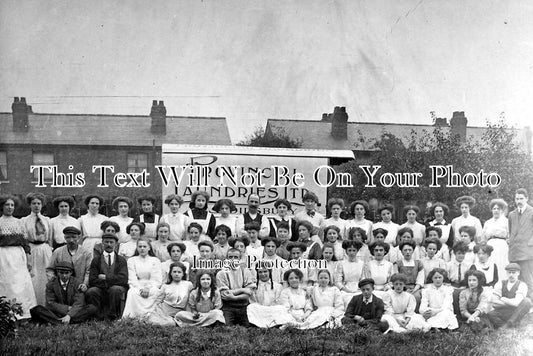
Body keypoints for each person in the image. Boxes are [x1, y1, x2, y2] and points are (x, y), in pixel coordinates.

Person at [0, 195, 36, 319]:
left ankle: (22, 314)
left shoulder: (19, 222)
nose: (10, 207)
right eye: (7, 205)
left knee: (20, 283)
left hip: (18, 255)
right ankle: (6, 314)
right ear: (2, 206)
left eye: (12, 205)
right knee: (6, 283)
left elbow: (25, 243)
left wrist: (29, 259)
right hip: (3, 255)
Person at [30, 261, 97, 324]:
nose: (64, 276)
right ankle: (67, 321)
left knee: (92, 308)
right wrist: (67, 308)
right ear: (58, 272)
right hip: (58, 312)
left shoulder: (77, 283)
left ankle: (58, 321)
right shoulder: (51, 285)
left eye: (66, 273)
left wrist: (69, 315)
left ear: (71, 273)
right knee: (36, 309)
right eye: (61, 273)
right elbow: (50, 303)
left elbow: (79, 303)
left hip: (73, 311)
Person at [85, 233, 128, 320]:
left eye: (111, 242)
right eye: (106, 242)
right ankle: (97, 316)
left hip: (116, 287)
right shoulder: (96, 260)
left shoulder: (121, 260)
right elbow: (92, 280)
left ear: (115, 244)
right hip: (100, 287)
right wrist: (108, 283)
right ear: (102, 243)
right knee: (92, 291)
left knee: (115, 289)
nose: (109, 244)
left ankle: (112, 316)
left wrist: (106, 278)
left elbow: (123, 279)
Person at [21, 192, 53, 306]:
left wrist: (49, 250)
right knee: (33, 278)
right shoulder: (24, 220)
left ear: (42, 205)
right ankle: (33, 307)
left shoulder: (47, 220)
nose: (36, 206)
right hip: (31, 250)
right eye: (33, 203)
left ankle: (46, 306)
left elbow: (50, 238)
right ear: (29, 205)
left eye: (39, 203)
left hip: (44, 250)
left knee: (46, 277)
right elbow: (24, 239)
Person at [122, 237, 162, 319]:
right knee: (132, 292)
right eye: (140, 246)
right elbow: (132, 278)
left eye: (144, 246)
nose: (142, 249)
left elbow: (156, 278)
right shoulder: (131, 260)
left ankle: (150, 317)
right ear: (137, 248)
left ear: (149, 248)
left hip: (151, 285)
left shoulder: (155, 260)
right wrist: (140, 288)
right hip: (137, 285)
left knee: (155, 292)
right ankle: (132, 317)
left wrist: (148, 288)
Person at [482, 263, 532, 328]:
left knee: (527, 301)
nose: (511, 275)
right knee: (490, 314)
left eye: (513, 272)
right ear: (506, 273)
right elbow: (494, 303)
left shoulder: (522, 285)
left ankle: (509, 324)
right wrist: (509, 303)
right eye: (509, 272)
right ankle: (507, 327)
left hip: (516, 311)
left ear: (518, 273)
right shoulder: (500, 283)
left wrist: (503, 299)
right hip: (503, 311)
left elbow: (516, 303)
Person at [216, 248, 256, 326]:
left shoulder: (246, 272)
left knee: (248, 327)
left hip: (244, 305)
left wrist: (234, 297)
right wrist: (243, 289)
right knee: (227, 328)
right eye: (230, 257)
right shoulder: (221, 273)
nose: (233, 259)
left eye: (236, 257)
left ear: (240, 259)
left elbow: (249, 293)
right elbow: (225, 294)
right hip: (228, 306)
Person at [46, 226, 92, 292]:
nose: (71, 240)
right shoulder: (58, 252)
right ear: (64, 238)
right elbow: (50, 269)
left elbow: (89, 271)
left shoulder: (86, 253)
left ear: (78, 238)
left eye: (74, 237)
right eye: (68, 237)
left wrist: (85, 284)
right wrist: (55, 282)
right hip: (62, 287)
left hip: (80, 287)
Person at [508, 188, 533, 300]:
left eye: (521, 198)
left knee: (527, 278)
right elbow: (511, 231)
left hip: (526, 252)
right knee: (514, 278)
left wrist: (530, 243)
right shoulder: (511, 214)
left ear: (527, 199)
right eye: (517, 198)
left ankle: (529, 302)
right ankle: (517, 301)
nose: (519, 201)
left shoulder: (531, 212)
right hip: (514, 251)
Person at [482, 199, 509, 279]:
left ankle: (502, 283)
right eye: (494, 209)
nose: (496, 210)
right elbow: (483, 237)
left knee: (501, 264)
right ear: (491, 210)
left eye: (498, 209)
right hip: (490, 245)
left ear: (502, 210)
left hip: (502, 246)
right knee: (490, 264)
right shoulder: (488, 222)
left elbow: (510, 235)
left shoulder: (506, 221)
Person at [393, 240, 424, 309]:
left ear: (413, 251)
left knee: (417, 297)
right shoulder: (397, 264)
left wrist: (414, 290)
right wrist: (404, 289)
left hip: (415, 288)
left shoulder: (418, 264)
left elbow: (420, 279)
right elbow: (396, 278)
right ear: (401, 252)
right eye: (405, 250)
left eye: (410, 250)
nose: (407, 252)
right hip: (401, 287)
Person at [337, 239, 365, 306]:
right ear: (346, 251)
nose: (351, 253)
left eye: (354, 250)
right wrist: (346, 290)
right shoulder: (341, 263)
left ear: (357, 251)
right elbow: (338, 281)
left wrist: (360, 289)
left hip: (359, 289)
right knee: (347, 300)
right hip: (345, 289)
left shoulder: (362, 263)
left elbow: (363, 278)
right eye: (349, 250)